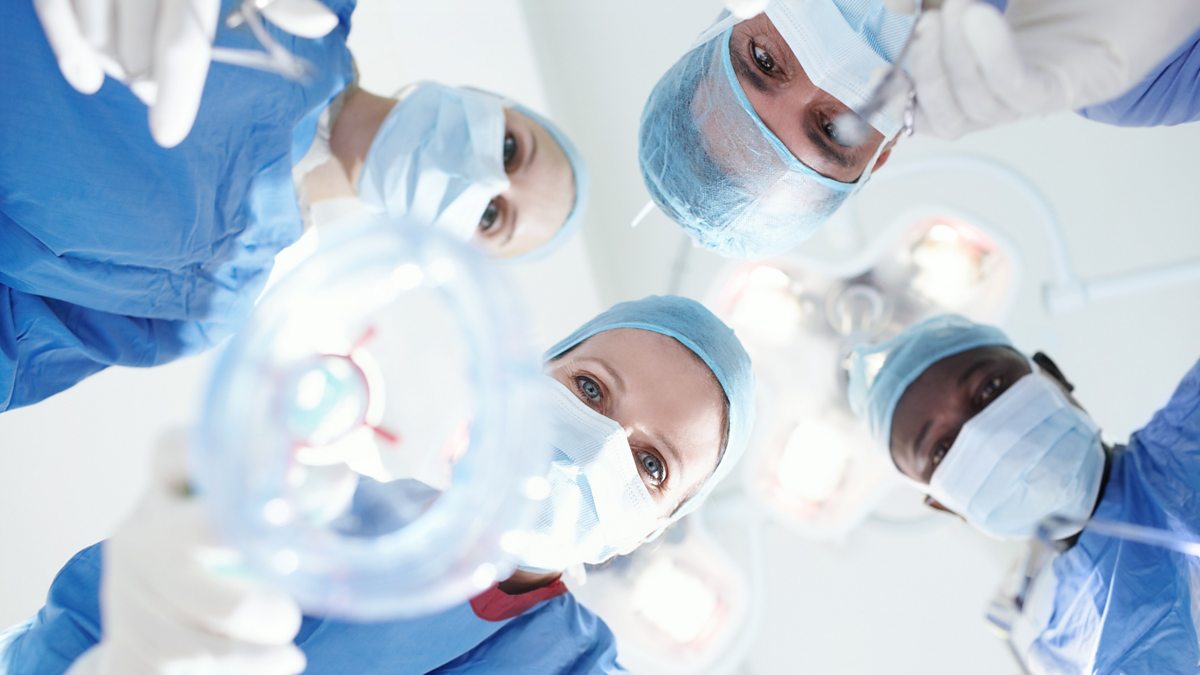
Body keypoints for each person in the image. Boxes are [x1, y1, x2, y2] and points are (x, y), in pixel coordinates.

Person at [0, 295, 756, 674]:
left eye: (650, 465)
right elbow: (74, 632)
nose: (598, 448)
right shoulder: (310, 508)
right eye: (590, 389)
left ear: (648, 530)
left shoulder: (575, 666)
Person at [1, 0, 585, 412]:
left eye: (491, 217)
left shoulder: (208, 299)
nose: (483, 177)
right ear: (487, 100)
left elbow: (17, 343)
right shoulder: (303, 10)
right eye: (510, 150)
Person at [638, 0, 1200, 259]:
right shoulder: (1131, 79)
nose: (821, 71)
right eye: (830, 127)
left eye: (763, 60)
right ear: (880, 153)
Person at [846, 314, 1200, 674]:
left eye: (990, 387)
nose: (985, 437)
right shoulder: (1062, 657)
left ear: (1052, 374)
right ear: (946, 506)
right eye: (941, 448)